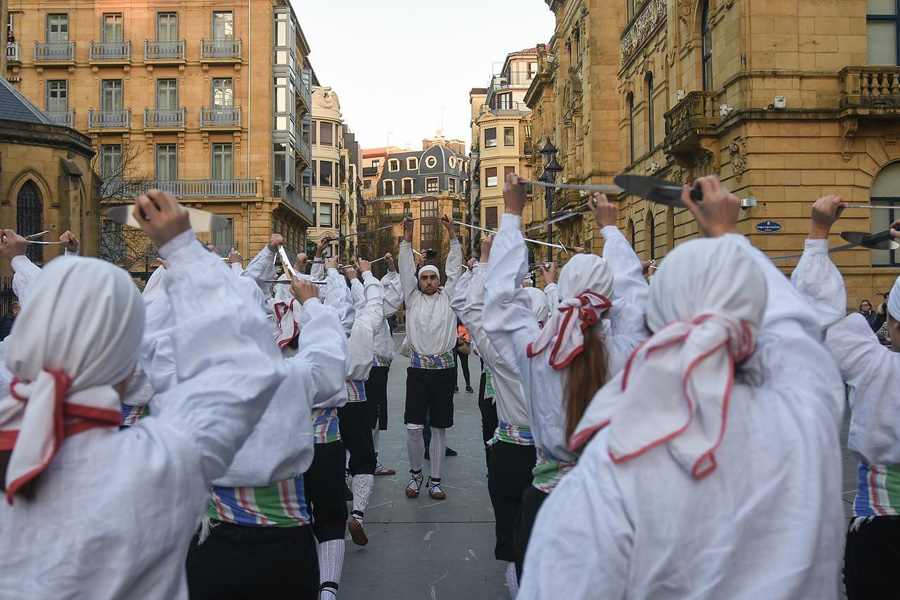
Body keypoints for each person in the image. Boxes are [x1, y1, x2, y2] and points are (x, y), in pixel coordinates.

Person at [518, 178, 846, 600]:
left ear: (657, 324)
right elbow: (798, 325)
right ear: (754, 310)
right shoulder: (807, 409)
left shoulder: (618, 459)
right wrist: (726, 235)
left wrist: (721, 238)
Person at [0, 190, 285, 599]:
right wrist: (182, 246)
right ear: (128, 360)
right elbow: (246, 368)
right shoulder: (158, 460)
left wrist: (20, 260)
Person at [483, 175, 648, 579]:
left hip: (547, 505)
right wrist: (610, 230)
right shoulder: (629, 353)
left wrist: (512, 214)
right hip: (615, 505)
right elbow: (635, 300)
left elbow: (502, 299)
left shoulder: (538, 353)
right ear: (608, 302)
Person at [186, 272, 349, 600]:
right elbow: (330, 363)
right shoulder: (290, 377)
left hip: (211, 538)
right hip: (284, 541)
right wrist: (312, 303)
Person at [791, 195, 900, 600]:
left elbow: (819, 315)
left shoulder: (874, 365)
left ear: (893, 323)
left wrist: (819, 230)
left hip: (882, 527)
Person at [452, 235, 543, 599]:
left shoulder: (501, 352)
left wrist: (486, 260)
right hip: (554, 456)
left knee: (511, 542)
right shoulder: (572, 351)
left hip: (510, 454)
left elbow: (472, 310)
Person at [398, 214, 462, 501]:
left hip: (445, 371)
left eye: (432, 277)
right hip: (418, 372)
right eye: (423, 277)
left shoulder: (450, 297)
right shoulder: (411, 299)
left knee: (438, 428)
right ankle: (415, 477)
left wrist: (453, 234)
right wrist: (407, 237)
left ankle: (435, 481)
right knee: (413, 427)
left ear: (440, 279)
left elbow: (455, 269)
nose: (427, 281)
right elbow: (404, 269)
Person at [335, 259, 385, 547]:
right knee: (363, 457)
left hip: (327, 401)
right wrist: (363, 274)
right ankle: (358, 515)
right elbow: (374, 301)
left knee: (333, 451)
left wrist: (328, 268)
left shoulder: (323, 325)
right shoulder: (364, 325)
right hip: (356, 398)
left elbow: (323, 298)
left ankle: (332, 503)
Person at [363, 253, 403, 477]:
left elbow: (389, 295)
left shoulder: (370, 302)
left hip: (377, 367)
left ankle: (371, 460)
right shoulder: (369, 306)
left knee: (374, 417)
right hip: (371, 368)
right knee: (369, 417)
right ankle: (366, 461)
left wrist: (390, 269)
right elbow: (392, 300)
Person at [455, 320, 473, 393]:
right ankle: (467, 385)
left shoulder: (455, 319)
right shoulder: (464, 320)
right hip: (461, 345)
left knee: (459, 366)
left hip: (459, 345)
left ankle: (456, 386)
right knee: (464, 366)